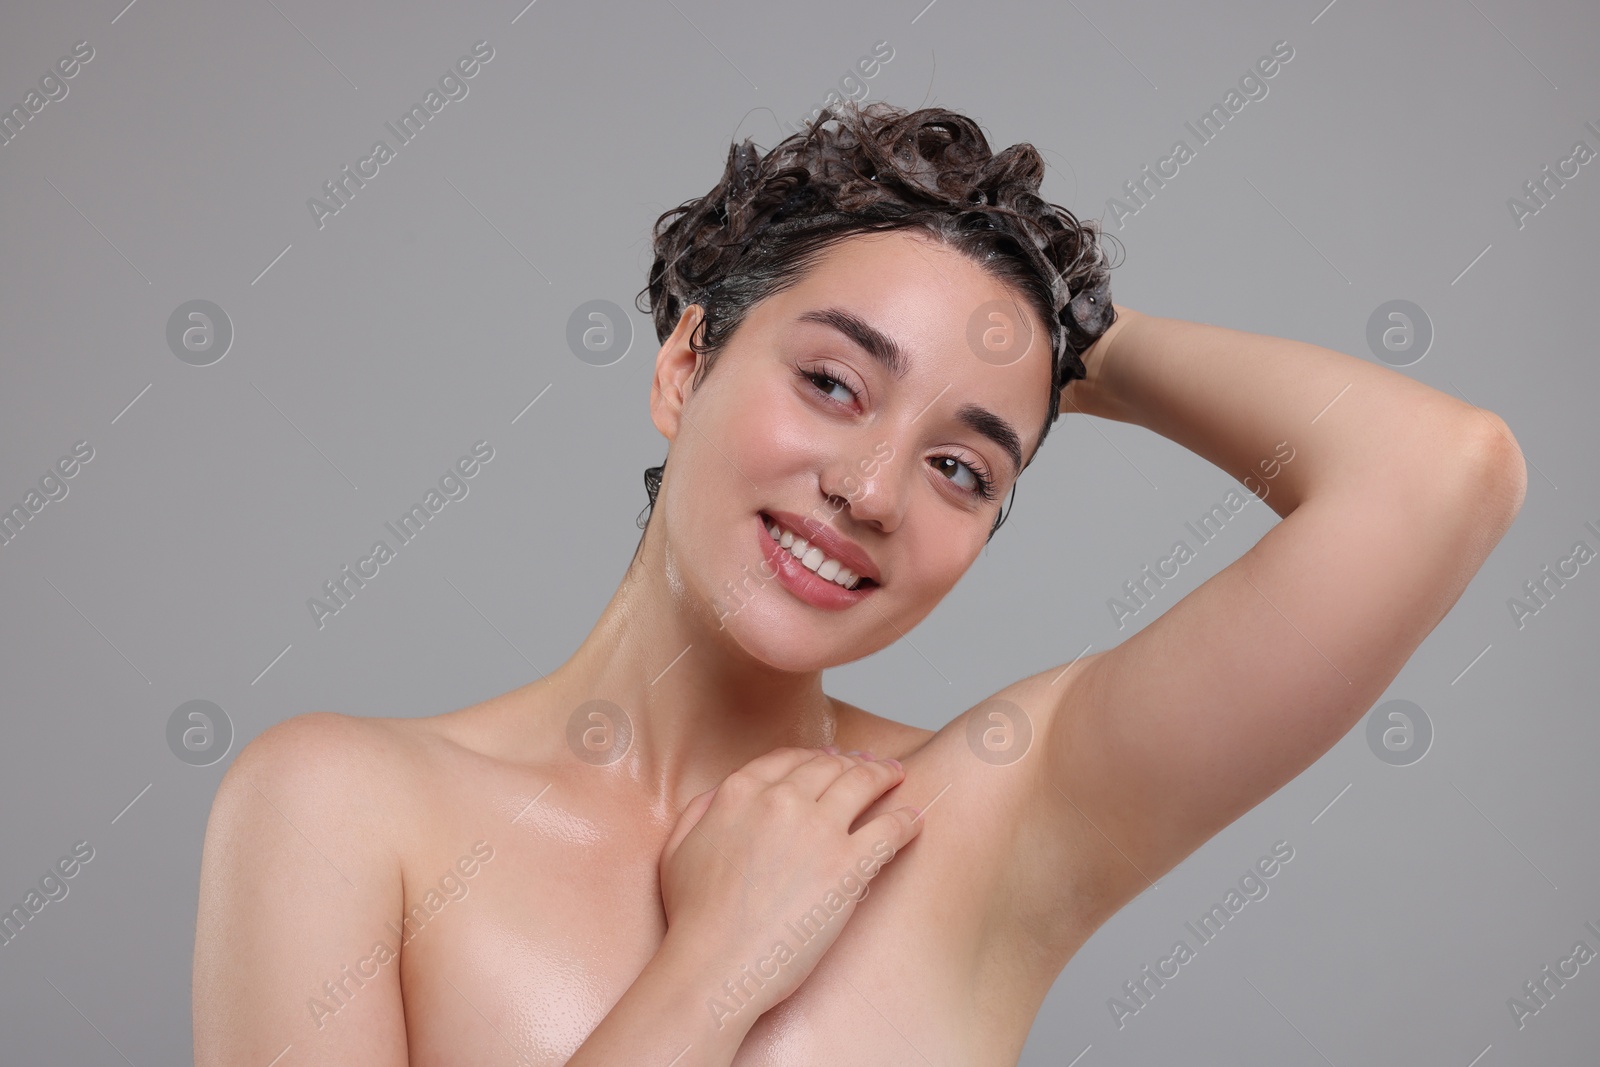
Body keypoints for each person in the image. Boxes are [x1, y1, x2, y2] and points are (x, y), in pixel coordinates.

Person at [192, 101, 1527, 1066]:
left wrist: (1066, 339)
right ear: (683, 367)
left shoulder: (988, 819)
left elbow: (1441, 477)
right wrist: (718, 967)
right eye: (833, 382)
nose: (875, 489)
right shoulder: (345, 811)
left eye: (963, 466)